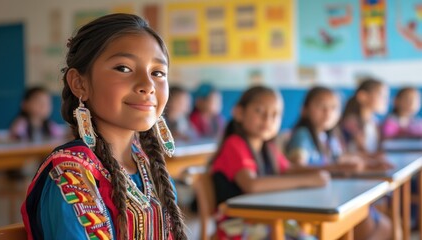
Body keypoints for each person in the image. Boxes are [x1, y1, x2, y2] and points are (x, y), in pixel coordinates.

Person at [21, 13, 186, 240]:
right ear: (80, 84)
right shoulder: (70, 174)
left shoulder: (150, 167)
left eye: (158, 73)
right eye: (123, 68)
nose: (148, 85)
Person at [210, 86, 330, 239]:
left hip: (265, 220)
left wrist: (333, 169)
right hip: (237, 227)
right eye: (259, 111)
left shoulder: (269, 147)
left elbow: (289, 169)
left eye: (275, 114)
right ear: (239, 113)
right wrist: (308, 180)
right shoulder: (235, 144)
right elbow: (252, 185)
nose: (268, 119)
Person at [286, 86, 392, 240]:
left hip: (332, 198)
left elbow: (342, 159)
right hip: (312, 204)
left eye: (334, 108)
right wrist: (338, 167)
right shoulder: (302, 135)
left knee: (385, 225)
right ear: (305, 109)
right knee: (374, 225)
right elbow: (295, 168)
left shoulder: (329, 137)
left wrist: (369, 164)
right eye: (321, 106)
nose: (328, 112)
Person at [340, 78, 390, 159]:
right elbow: (363, 152)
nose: (386, 101)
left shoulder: (374, 122)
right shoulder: (352, 123)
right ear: (362, 96)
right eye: (381, 95)